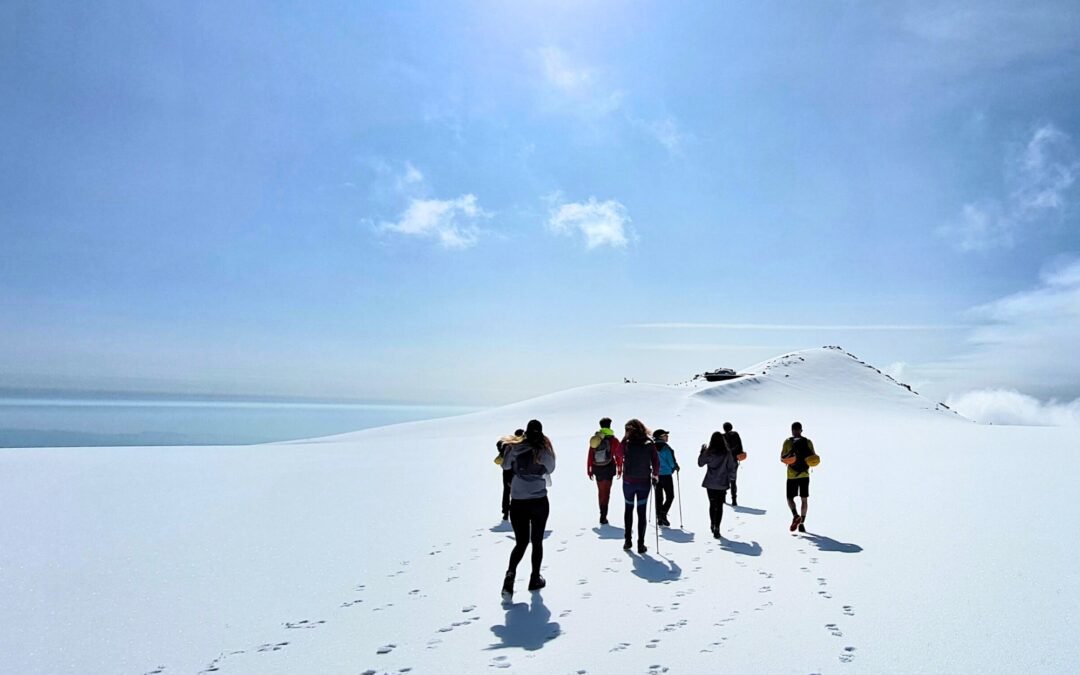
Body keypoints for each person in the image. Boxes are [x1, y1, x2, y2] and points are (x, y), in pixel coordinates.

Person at [501, 420, 557, 597]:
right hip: (539, 499)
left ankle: (510, 575)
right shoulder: (544, 449)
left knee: (521, 542)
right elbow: (552, 468)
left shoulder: (515, 447)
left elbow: (505, 465)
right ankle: (534, 578)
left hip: (518, 500)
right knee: (537, 541)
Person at [617, 419, 659, 553]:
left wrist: (625, 438)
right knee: (641, 512)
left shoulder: (627, 442)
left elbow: (618, 454)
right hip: (644, 481)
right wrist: (655, 475)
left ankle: (627, 540)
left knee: (628, 509)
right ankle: (641, 543)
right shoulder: (649, 442)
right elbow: (656, 461)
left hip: (629, 481)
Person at [780, 421, 818, 533]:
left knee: (789, 498)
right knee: (804, 499)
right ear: (801, 430)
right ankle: (802, 523)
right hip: (805, 474)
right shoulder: (808, 442)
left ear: (792, 430)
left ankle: (795, 515)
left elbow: (782, 458)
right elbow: (813, 458)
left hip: (792, 475)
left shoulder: (787, 442)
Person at [698, 431, 737, 539]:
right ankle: (717, 527)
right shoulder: (726, 453)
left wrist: (702, 452)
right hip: (722, 482)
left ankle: (712, 523)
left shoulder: (709, 452)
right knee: (719, 506)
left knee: (712, 504)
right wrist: (732, 478)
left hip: (710, 482)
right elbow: (731, 467)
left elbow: (700, 463)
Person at [587, 418, 622, 525]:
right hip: (609, 468)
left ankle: (602, 514)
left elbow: (590, 455)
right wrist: (620, 468)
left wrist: (589, 470)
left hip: (597, 468)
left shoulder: (595, 439)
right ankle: (604, 516)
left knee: (601, 492)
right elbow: (619, 456)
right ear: (610, 426)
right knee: (607, 492)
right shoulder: (614, 440)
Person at [652, 429, 680, 527]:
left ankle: (659, 517)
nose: (667, 437)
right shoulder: (666, 448)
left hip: (655, 475)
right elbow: (671, 462)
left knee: (658, 497)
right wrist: (675, 467)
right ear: (660, 437)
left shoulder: (651, 447)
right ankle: (663, 514)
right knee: (670, 496)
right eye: (665, 435)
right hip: (666, 475)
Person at [496, 428, 525, 520]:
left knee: (506, 491)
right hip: (515, 472)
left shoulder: (509, 443)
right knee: (516, 491)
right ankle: (515, 511)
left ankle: (505, 511)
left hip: (506, 471)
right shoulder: (521, 445)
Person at [721, 422, 745, 507]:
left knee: (724, 479)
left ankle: (723, 498)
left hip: (724, 462)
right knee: (733, 480)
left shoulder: (722, 436)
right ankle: (734, 499)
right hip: (734, 460)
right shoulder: (736, 435)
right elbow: (740, 446)